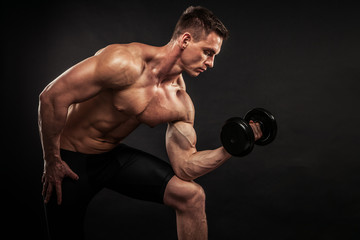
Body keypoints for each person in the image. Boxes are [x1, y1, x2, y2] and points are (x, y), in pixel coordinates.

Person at [39, 6, 262, 240]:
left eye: (214, 55)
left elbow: (185, 167)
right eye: (208, 52)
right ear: (186, 40)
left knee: (191, 196)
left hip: (111, 157)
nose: (211, 63)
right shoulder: (124, 62)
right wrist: (51, 159)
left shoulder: (180, 101)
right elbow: (52, 97)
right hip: (69, 160)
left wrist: (230, 148)